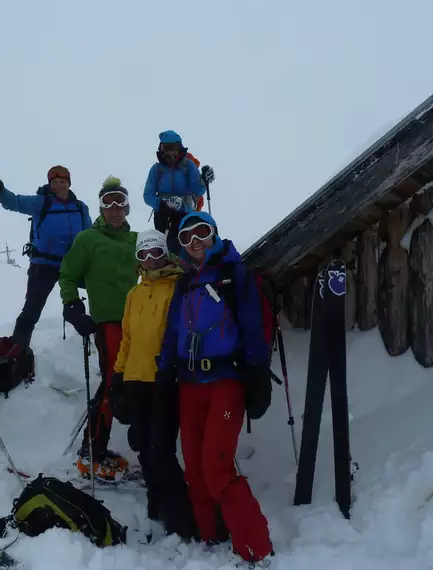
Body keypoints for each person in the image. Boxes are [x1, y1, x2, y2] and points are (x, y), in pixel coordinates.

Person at [156, 211, 274, 566]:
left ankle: (257, 549)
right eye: (187, 236)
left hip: (225, 382)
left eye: (201, 232)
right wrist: (164, 373)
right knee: (193, 467)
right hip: (189, 385)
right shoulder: (183, 283)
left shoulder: (234, 275)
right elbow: (174, 332)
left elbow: (253, 326)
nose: (195, 241)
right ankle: (211, 537)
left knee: (216, 465)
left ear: (214, 234)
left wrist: (258, 373)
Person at [109, 229, 197, 539]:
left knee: (161, 450)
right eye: (143, 254)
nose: (149, 259)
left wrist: (172, 371)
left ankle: (182, 517)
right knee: (142, 447)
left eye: (155, 253)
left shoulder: (178, 288)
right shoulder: (135, 294)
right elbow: (127, 340)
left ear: (165, 254)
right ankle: (157, 503)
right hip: (135, 380)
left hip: (164, 381)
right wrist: (118, 377)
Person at [59, 176, 139, 480]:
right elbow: (67, 274)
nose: (115, 209)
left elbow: (164, 264)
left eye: (120, 202)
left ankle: (104, 448)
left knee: (133, 382)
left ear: (128, 207)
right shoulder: (88, 239)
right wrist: (72, 306)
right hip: (107, 323)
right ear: (101, 208)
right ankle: (91, 452)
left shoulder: (135, 241)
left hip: (138, 324)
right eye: (108, 203)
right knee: (110, 382)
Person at [0, 160, 92, 349]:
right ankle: (17, 352)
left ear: (69, 183)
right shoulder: (41, 202)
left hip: (73, 265)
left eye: (63, 180)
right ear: (50, 185)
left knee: (100, 287)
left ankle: (101, 329)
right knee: (31, 310)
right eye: (55, 182)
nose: (59, 184)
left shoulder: (80, 207)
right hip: (44, 264)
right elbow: (13, 202)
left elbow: (89, 235)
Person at [142, 130, 212, 254]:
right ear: (161, 149)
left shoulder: (188, 166)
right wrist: (161, 204)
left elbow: (198, 190)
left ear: (179, 148)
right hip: (163, 215)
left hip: (185, 213)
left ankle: (187, 269)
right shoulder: (157, 169)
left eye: (173, 147)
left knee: (183, 246)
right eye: (166, 148)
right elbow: (148, 195)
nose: (170, 152)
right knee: (165, 247)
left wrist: (204, 180)